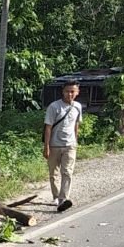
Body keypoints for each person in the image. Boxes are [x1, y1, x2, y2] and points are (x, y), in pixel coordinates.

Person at [44, 80, 82, 212]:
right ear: (63, 92)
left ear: (77, 92)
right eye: (67, 91)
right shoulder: (54, 107)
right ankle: (55, 196)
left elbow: (76, 124)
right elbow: (48, 127)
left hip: (70, 145)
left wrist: (75, 141)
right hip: (54, 145)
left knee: (67, 172)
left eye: (72, 91)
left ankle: (63, 198)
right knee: (53, 173)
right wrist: (46, 146)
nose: (69, 94)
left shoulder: (78, 106)